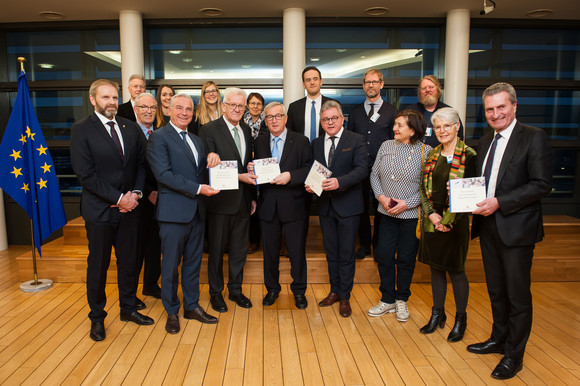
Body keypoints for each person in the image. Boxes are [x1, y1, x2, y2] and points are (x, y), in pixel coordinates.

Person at [468, 83, 553, 380]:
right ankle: (498, 339)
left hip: (516, 229)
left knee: (517, 295)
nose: (495, 113)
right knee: (496, 290)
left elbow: (541, 184)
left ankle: (514, 356)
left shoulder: (533, 137)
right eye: (490, 109)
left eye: (501, 107)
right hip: (488, 225)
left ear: (514, 106)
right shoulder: (484, 141)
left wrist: (500, 203)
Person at [70, 79, 153, 342]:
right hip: (101, 212)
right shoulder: (81, 130)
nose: (111, 102)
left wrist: (137, 194)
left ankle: (128, 308)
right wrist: (119, 198)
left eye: (115, 98)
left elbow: (141, 164)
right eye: (106, 97)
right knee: (99, 265)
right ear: (93, 100)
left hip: (130, 210)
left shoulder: (129, 127)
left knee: (129, 262)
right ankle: (97, 318)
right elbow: (86, 175)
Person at [147, 93, 221, 334]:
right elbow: (164, 175)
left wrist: (213, 158)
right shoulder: (158, 138)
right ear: (168, 109)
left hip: (196, 213)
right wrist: (199, 189)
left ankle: (191, 306)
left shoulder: (197, 141)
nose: (185, 113)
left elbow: (201, 172)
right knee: (170, 266)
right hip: (172, 214)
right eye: (179, 108)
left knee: (192, 264)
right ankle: (171, 311)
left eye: (189, 109)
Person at [418, 107, 476, 342]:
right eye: (438, 127)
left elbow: (470, 193)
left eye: (447, 126)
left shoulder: (469, 155)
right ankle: (437, 314)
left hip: (457, 224)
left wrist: (448, 222)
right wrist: (431, 215)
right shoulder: (432, 154)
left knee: (457, 271)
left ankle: (460, 319)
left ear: (457, 127)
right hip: (432, 223)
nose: (442, 131)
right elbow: (422, 188)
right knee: (435, 269)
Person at [368, 110, 431, 323]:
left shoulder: (426, 151)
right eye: (395, 124)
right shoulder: (386, 146)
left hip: (411, 217)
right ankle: (387, 299)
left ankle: (402, 298)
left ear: (412, 130)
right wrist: (381, 198)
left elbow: (426, 187)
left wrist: (407, 204)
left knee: (405, 259)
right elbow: (374, 174)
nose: (394, 128)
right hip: (385, 214)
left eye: (399, 125)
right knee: (384, 256)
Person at [307, 100, 367, 317]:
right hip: (325, 207)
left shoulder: (356, 140)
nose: (330, 122)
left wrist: (340, 182)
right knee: (331, 253)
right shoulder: (315, 143)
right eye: (325, 119)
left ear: (342, 119)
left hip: (348, 207)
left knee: (346, 254)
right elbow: (315, 170)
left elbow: (362, 170)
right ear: (321, 123)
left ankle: (345, 296)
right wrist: (311, 185)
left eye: (334, 118)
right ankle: (334, 290)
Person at [199, 87, 257, 313]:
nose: (236, 109)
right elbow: (209, 169)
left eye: (240, 106)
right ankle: (216, 293)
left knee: (239, 250)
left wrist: (251, 197)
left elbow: (245, 166)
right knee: (216, 251)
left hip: (243, 201)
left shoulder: (245, 129)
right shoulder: (209, 130)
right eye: (232, 104)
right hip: (219, 202)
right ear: (223, 106)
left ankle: (235, 290)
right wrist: (241, 176)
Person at [252, 102, 312, 309]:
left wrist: (290, 176)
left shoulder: (301, 141)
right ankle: (272, 289)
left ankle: (299, 291)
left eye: (278, 116)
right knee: (269, 253)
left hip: (294, 205)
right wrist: (252, 168)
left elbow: (308, 168)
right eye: (269, 117)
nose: (274, 120)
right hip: (268, 205)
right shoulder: (259, 142)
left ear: (285, 118)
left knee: (297, 252)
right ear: (265, 121)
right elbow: (256, 171)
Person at [347, 68, 396, 259]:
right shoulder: (356, 112)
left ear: (381, 84)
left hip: (382, 169)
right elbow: (348, 141)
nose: (371, 85)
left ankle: (378, 246)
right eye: (367, 82)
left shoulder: (391, 111)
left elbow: (395, 141)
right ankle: (365, 244)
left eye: (374, 82)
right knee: (360, 207)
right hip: (359, 168)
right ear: (363, 86)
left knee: (382, 208)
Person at [133, 92, 162, 300]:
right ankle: (131, 295)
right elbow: (131, 168)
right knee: (135, 250)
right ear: (136, 109)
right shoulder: (129, 133)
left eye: (152, 108)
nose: (149, 111)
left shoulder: (159, 134)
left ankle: (151, 285)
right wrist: (147, 192)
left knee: (155, 246)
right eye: (144, 107)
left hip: (160, 200)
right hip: (139, 200)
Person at [406, 75, 464, 148]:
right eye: (424, 88)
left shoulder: (448, 112)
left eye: (431, 87)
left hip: (441, 157)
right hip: (414, 157)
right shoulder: (410, 112)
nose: (427, 90)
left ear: (438, 89)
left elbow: (459, 137)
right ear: (420, 92)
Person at [287, 66, 337, 142]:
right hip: (301, 151)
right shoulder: (294, 107)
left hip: (326, 150)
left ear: (321, 81)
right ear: (304, 84)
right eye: (308, 80)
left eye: (315, 79)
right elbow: (289, 134)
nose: (312, 82)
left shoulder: (333, 105)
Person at [244, 92, 266, 253]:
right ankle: (250, 240)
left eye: (259, 103)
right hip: (245, 168)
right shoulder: (241, 123)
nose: (255, 106)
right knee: (249, 202)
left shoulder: (267, 123)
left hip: (263, 166)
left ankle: (259, 241)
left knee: (262, 203)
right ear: (247, 105)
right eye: (252, 103)